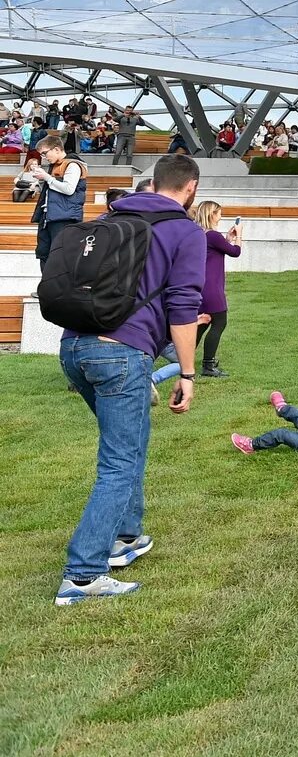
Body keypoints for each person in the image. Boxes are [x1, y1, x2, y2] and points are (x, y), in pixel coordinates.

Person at [54, 154, 206, 606]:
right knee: (119, 461)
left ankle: (125, 536)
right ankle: (82, 575)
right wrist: (188, 372)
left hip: (74, 346)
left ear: (153, 182)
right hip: (122, 351)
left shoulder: (109, 218)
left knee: (129, 442)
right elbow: (182, 307)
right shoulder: (185, 232)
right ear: (191, 187)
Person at [191, 201, 242, 379]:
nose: (221, 215)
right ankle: (208, 365)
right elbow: (235, 252)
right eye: (219, 212)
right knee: (219, 323)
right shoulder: (213, 235)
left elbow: (218, 250)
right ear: (212, 214)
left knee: (201, 324)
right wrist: (239, 236)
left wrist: (227, 239)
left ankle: (184, 359)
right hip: (212, 288)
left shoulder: (200, 234)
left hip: (201, 286)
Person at [29, 134, 86, 270]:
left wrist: (47, 177)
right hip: (48, 216)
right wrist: (41, 181)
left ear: (56, 149)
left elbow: (68, 189)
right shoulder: (54, 166)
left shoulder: (72, 164)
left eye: (44, 153)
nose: (44, 157)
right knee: (44, 253)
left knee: (61, 256)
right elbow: (53, 190)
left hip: (64, 217)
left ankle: (59, 290)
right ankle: (47, 288)